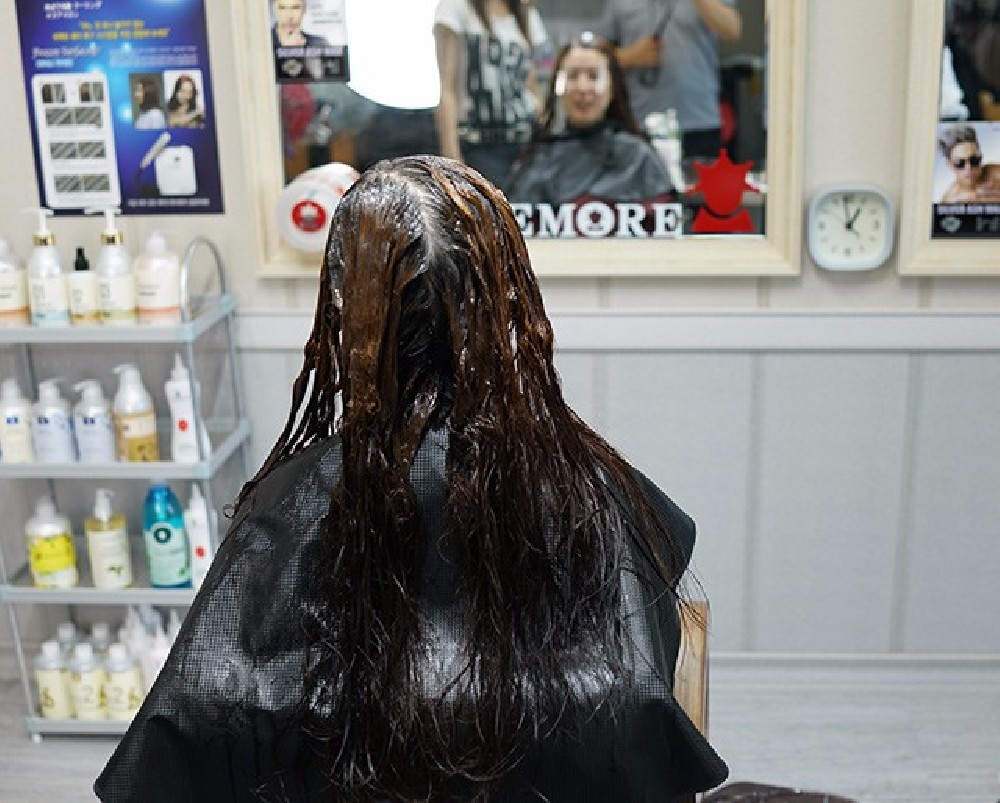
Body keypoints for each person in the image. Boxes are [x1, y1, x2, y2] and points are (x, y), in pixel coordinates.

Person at [94, 155, 728, 802]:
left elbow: (191, 726)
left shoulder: (291, 502)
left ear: (346, 307)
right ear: (505, 297)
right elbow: (639, 714)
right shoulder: (592, 486)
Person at [507, 31, 674, 211]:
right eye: (572, 76)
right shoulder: (538, 156)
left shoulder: (638, 157)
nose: (582, 88)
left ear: (613, 87)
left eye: (594, 76)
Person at [595, 0, 742, 160]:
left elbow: (732, 30)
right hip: (638, 122)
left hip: (698, 120)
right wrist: (629, 56)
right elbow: (596, 55)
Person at [433, 0, 548, 191]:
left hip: (525, 141)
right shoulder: (456, 8)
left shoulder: (525, 13)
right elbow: (447, 90)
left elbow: (530, 84)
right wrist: (452, 159)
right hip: (478, 143)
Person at [938, 124, 1000, 202]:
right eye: (960, 163)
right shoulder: (950, 200)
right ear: (950, 165)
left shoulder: (996, 174)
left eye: (974, 160)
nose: (969, 168)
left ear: (981, 157)